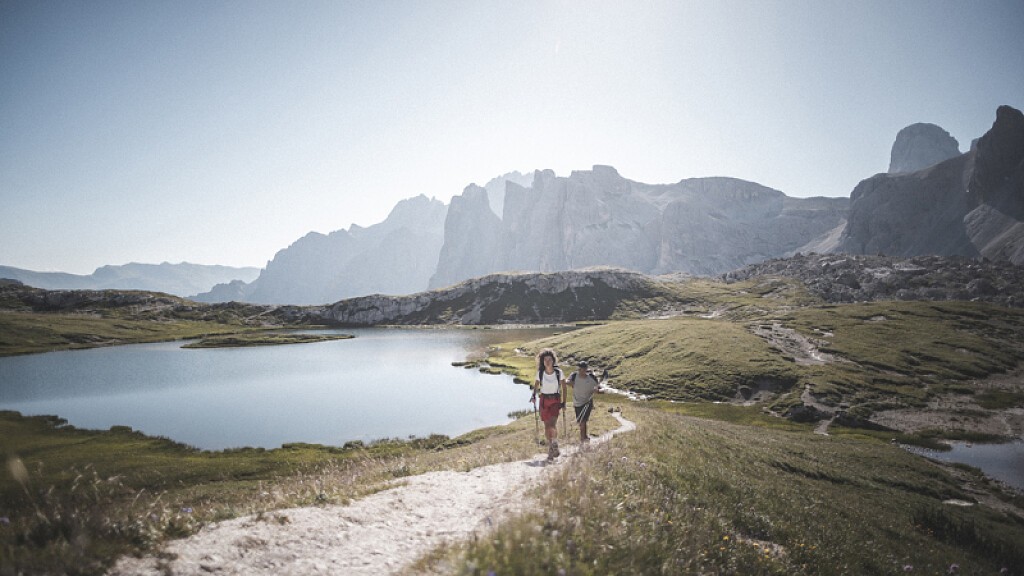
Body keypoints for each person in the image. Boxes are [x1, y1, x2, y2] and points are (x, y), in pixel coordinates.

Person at [531, 348, 564, 461]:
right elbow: (536, 386)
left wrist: (563, 402)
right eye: (545, 360)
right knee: (546, 426)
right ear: (542, 361)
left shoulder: (559, 373)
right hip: (544, 400)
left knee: (552, 424)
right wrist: (533, 396)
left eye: (549, 359)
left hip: (555, 400)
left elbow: (564, 387)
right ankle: (551, 447)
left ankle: (554, 443)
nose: (548, 362)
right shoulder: (540, 373)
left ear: (553, 360)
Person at [568, 360, 600, 444]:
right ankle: (585, 436)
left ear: (586, 369)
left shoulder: (592, 378)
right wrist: (568, 383)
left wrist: (597, 390)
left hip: (587, 402)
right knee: (581, 421)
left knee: (583, 421)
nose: (581, 371)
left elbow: (599, 387)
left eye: (583, 369)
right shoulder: (574, 375)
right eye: (579, 369)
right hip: (577, 402)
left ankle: (582, 440)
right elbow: (568, 382)